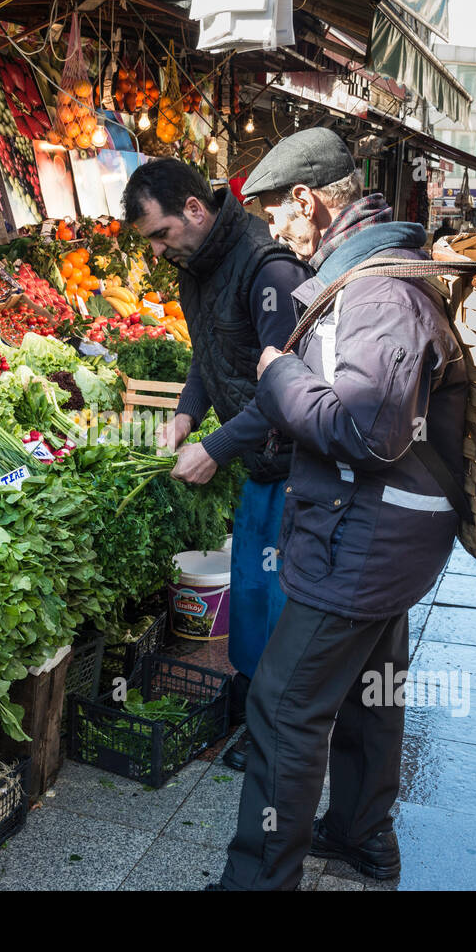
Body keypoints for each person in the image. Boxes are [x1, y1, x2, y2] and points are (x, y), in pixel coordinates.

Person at [209, 128, 467, 889]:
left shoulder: (379, 292)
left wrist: (277, 374)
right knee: (368, 693)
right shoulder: (371, 274)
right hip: (386, 534)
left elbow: (366, 427)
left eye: (277, 216)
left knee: (283, 709)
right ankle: (361, 838)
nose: (275, 234)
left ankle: (257, 881)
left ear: (309, 202)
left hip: (363, 540)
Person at [121, 158, 311, 772]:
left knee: (282, 603)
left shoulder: (268, 270)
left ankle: (278, 734)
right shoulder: (197, 270)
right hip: (257, 467)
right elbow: (207, 356)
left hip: (294, 472)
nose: (157, 249)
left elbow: (288, 389)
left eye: (160, 233)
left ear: (195, 210)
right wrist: (184, 416)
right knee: (252, 596)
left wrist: (216, 448)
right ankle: (254, 705)